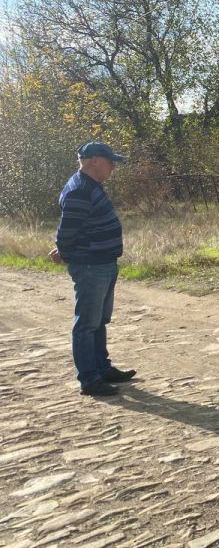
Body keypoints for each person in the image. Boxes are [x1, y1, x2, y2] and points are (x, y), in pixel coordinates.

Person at [50, 141, 137, 397]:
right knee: (87, 324)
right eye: (110, 161)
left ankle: (101, 368)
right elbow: (67, 230)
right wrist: (65, 252)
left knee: (98, 321)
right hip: (90, 265)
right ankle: (89, 379)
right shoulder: (80, 189)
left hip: (102, 262)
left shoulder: (90, 185)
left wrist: (66, 250)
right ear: (95, 161)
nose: (113, 167)